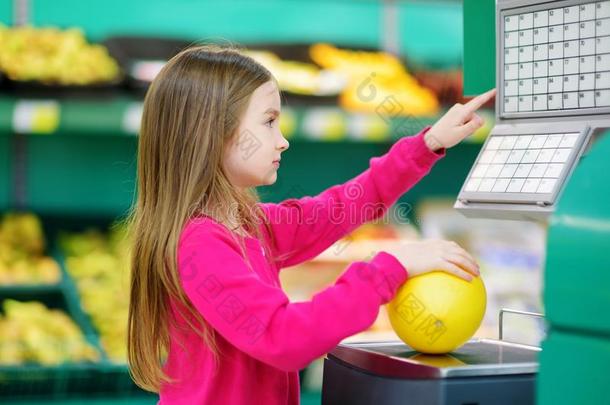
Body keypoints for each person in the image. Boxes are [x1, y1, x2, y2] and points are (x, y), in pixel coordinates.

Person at [127, 44, 495, 405]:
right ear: (210, 134)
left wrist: (427, 144)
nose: (282, 141)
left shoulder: (250, 226)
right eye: (269, 122)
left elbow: (342, 207)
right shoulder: (200, 245)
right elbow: (283, 337)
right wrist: (390, 268)